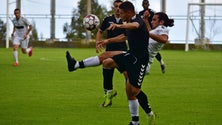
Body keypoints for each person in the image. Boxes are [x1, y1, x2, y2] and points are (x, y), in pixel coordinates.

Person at [96, 1, 155, 125]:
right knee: (106, 62)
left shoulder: (137, 20)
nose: (120, 15)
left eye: (122, 13)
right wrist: (107, 41)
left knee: (133, 90)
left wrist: (119, 26)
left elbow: (135, 26)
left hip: (140, 60)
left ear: (129, 12)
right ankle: (134, 121)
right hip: (130, 55)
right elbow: (123, 37)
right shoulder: (128, 22)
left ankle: (149, 114)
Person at [96, 0, 127, 107]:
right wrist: (97, 43)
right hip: (109, 51)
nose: (118, 8)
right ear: (113, 7)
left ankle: (133, 98)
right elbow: (100, 31)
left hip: (122, 52)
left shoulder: (126, 20)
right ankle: (108, 99)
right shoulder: (108, 19)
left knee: (128, 75)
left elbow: (126, 36)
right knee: (107, 74)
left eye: (120, 6)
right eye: (116, 6)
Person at [139, 0, 166, 74]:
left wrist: (152, 33)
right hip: (146, 32)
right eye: (144, 4)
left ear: (148, 4)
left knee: (150, 49)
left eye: (146, 3)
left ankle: (161, 62)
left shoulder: (153, 13)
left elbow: (164, 39)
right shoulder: (140, 13)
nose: (145, 5)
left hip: (150, 32)